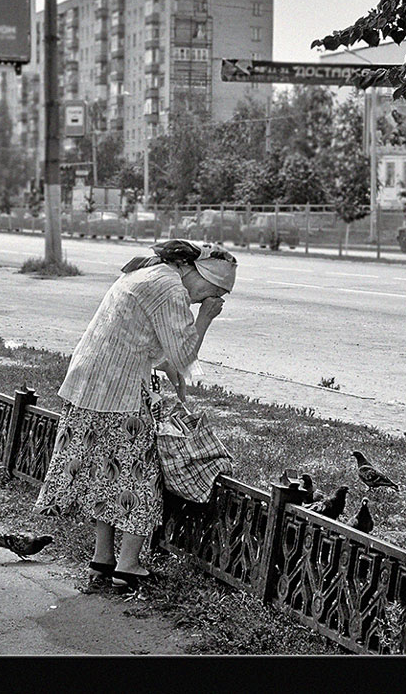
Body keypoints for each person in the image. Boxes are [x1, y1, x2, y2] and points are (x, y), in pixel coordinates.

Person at [32, 239, 237, 591]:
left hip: (88, 387)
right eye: (214, 290)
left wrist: (170, 370)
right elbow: (184, 352)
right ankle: (128, 566)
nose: (209, 299)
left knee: (105, 474)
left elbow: (145, 343)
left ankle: (102, 559)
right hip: (121, 395)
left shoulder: (146, 271)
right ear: (195, 271)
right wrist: (205, 319)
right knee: (140, 477)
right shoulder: (170, 286)